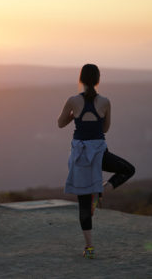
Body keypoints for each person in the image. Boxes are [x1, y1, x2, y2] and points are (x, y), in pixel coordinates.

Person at [57, 64, 135, 259]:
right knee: (128, 169)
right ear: (98, 80)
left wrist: (75, 115)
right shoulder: (106, 102)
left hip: (80, 156)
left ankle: (90, 248)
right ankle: (102, 190)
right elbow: (105, 129)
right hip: (99, 153)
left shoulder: (73, 100)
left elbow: (60, 123)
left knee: (83, 204)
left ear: (81, 79)